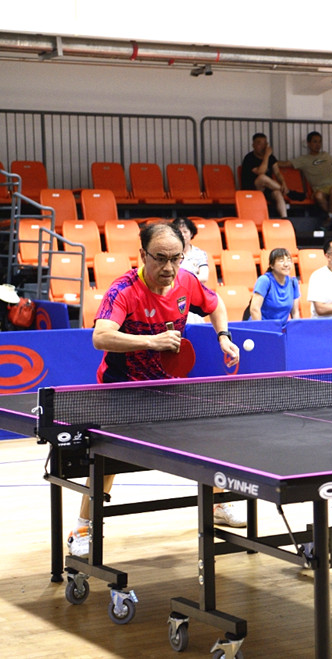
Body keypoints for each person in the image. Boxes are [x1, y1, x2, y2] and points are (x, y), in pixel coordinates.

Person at [68, 223, 243, 556]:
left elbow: (215, 305)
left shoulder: (187, 282)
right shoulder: (123, 290)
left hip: (166, 386)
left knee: (209, 442)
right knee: (107, 459)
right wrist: (152, 341)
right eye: (160, 258)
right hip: (122, 388)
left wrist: (224, 336)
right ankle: (82, 528)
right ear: (143, 255)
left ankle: (217, 505)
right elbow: (100, 336)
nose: (168, 267)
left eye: (176, 258)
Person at [277, 131, 332, 218]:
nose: (318, 144)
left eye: (320, 141)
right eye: (315, 141)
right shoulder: (303, 159)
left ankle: (330, 218)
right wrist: (267, 160)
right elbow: (285, 164)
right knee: (318, 196)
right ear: (308, 144)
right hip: (319, 189)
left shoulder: (325, 155)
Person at [240, 132, 289, 218]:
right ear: (253, 145)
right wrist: (266, 155)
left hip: (268, 188)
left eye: (265, 144)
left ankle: (285, 218)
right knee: (262, 178)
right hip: (252, 189)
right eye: (260, 143)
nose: (263, 147)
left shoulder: (271, 158)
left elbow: (277, 173)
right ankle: (288, 192)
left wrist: (283, 183)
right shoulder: (249, 158)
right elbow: (261, 172)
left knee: (277, 193)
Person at [172, 217, 210, 324]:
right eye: (179, 232)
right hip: (175, 296)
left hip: (194, 296)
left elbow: (204, 277)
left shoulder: (199, 254)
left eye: (185, 231)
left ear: (191, 233)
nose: (182, 235)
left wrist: (183, 280)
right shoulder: (171, 254)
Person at [249, 248, 300, 321]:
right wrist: (260, 328)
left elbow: (295, 312)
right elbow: (255, 309)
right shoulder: (264, 280)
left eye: (289, 260)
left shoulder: (293, 283)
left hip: (281, 327)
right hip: (263, 325)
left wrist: (296, 327)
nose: (286, 264)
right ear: (272, 265)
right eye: (281, 261)